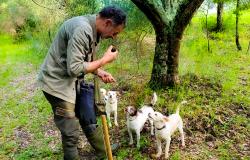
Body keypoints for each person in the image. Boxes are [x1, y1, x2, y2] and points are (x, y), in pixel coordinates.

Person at [37, 6, 127, 160]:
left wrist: (98, 71)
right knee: (71, 132)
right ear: (108, 23)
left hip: (72, 82)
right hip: (57, 84)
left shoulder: (93, 29)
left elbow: (82, 59)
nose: (113, 37)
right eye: (115, 32)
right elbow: (75, 68)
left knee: (87, 114)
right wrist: (104, 60)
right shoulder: (82, 29)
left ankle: (104, 151)